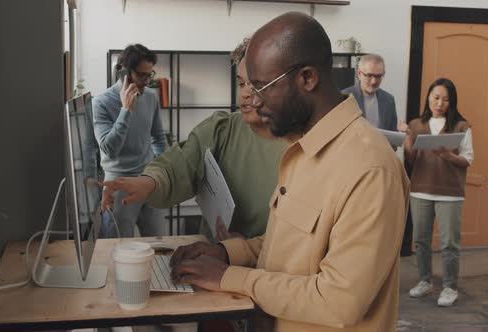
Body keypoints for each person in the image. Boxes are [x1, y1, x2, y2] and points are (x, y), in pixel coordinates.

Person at [169, 12, 410, 332]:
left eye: (261, 87)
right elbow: (288, 245)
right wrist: (226, 252)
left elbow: (339, 300)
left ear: (307, 78)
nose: (252, 101)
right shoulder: (301, 149)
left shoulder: (371, 170)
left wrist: (230, 278)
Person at [101, 39, 288, 241]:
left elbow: (158, 138)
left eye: (257, 84)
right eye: (242, 83)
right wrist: (149, 181)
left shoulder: (304, 145)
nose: (244, 94)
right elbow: (179, 163)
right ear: (123, 71)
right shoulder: (221, 129)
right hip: (211, 257)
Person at [399, 78, 473, 307]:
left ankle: (450, 287)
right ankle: (425, 281)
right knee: (420, 241)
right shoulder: (416, 124)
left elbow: (467, 159)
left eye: (445, 99)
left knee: (450, 243)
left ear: (452, 102)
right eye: (436, 97)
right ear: (429, 97)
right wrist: (406, 137)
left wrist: (448, 156)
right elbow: (411, 160)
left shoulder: (462, 126)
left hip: (450, 192)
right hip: (420, 189)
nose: (439, 103)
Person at [93, 43, 168, 238]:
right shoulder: (101, 103)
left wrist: (166, 171)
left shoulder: (151, 97)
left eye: (149, 75)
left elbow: (158, 138)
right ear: (123, 72)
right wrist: (126, 110)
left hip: (149, 181)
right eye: (141, 75)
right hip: (118, 186)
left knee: (160, 244)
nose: (146, 81)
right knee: (117, 249)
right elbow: (109, 149)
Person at [342, 54, 397, 131]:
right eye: (369, 75)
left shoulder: (389, 100)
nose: (374, 81)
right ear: (359, 74)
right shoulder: (345, 97)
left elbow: (393, 132)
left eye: (378, 76)